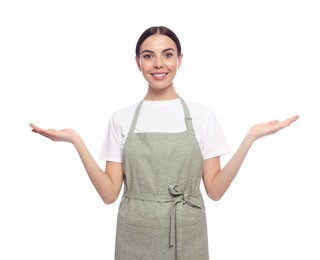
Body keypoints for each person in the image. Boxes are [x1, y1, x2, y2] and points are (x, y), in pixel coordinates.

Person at [30, 26, 299, 260]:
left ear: (179, 60)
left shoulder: (202, 116)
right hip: (134, 233)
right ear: (138, 62)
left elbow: (215, 190)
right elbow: (109, 194)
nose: (159, 64)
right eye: (149, 56)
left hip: (187, 230)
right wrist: (76, 141)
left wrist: (250, 137)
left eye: (167, 54)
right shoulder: (121, 119)